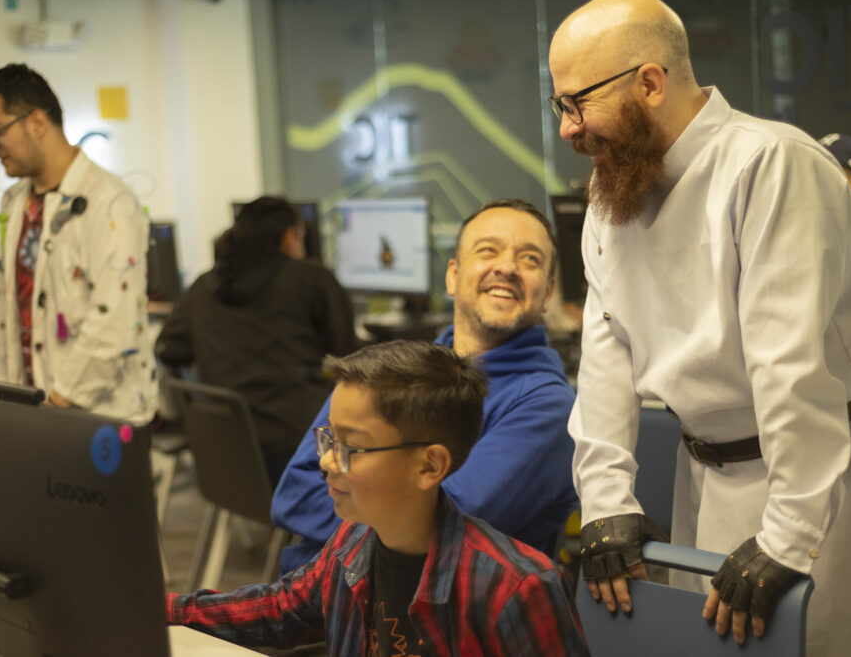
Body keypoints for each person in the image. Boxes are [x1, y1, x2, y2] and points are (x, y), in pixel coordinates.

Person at [547, 0, 851, 654]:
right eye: (560, 107)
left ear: (650, 82)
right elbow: (606, 359)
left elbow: (791, 370)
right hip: (700, 474)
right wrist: (606, 503)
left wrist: (788, 537)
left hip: (815, 480)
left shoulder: (770, 164)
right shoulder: (613, 192)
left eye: (578, 103)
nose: (568, 130)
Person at [168, 340, 589, 656]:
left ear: (429, 466)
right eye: (329, 438)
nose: (326, 461)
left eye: (351, 446)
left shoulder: (516, 589)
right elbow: (281, 608)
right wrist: (165, 609)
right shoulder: (353, 542)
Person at [272, 199, 577, 573]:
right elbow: (294, 495)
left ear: (547, 293)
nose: (507, 267)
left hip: (415, 604)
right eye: (488, 250)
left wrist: (344, 505)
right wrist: (382, 512)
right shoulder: (392, 368)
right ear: (452, 276)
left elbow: (434, 535)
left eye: (530, 259)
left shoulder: (548, 407)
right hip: (311, 586)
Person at [0, 63, 156, 425]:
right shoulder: (15, 203)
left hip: (97, 420)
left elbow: (114, 321)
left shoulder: (110, 202)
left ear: (37, 123)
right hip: (34, 414)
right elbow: (3, 312)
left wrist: (56, 406)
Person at [155, 196, 357, 486]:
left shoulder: (204, 287)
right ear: (289, 235)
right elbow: (350, 359)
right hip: (303, 452)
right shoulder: (310, 278)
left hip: (229, 457)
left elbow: (168, 348)